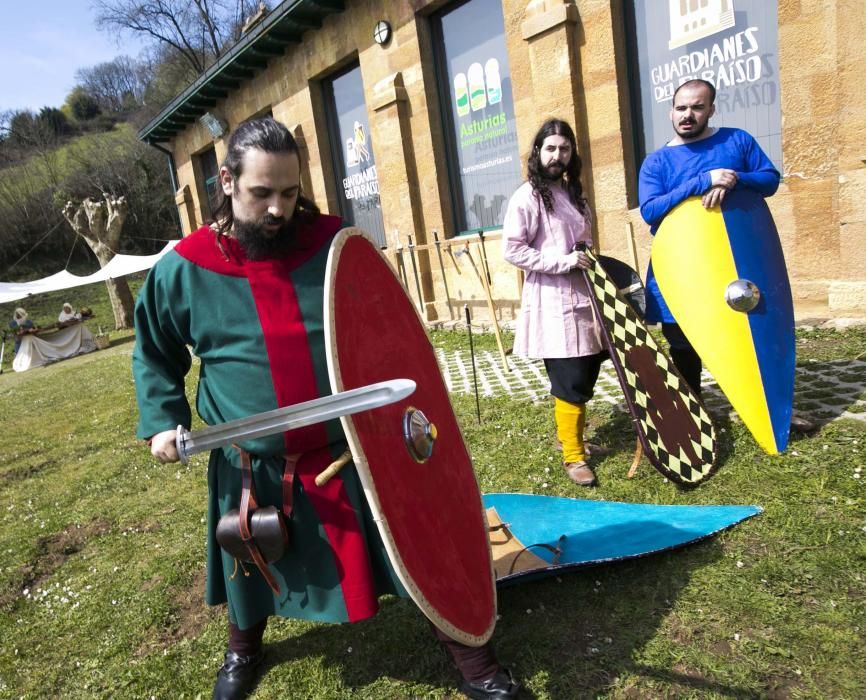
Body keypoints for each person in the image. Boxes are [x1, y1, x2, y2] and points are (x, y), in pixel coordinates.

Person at [132, 117, 519, 700]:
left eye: (289, 192)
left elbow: (385, 333)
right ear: (228, 182)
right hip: (252, 459)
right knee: (247, 561)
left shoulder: (335, 248)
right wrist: (163, 419)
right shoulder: (183, 269)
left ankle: (473, 657)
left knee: (418, 545)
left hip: (352, 449)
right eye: (261, 193)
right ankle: (243, 652)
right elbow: (155, 352)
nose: (278, 209)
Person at [638, 79, 814, 433]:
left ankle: (772, 409)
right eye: (681, 108)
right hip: (684, 266)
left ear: (711, 109)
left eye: (697, 107)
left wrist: (734, 180)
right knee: (684, 344)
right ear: (671, 111)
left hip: (737, 262)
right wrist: (704, 180)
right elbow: (650, 210)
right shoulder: (656, 162)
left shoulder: (737, 140)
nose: (688, 115)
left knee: (754, 331)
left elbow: (769, 180)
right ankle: (694, 414)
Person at [502, 118, 608, 487]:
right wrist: (561, 263)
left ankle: (573, 437)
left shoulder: (574, 193)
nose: (557, 155)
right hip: (552, 301)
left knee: (588, 371)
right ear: (537, 152)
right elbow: (512, 249)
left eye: (564, 148)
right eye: (550, 148)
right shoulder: (527, 196)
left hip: (585, 297)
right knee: (570, 379)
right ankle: (574, 456)